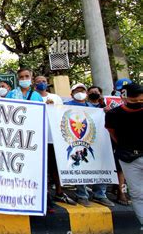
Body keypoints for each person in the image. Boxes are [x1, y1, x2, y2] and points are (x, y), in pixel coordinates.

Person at [64, 83, 114, 208]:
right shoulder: (65, 106)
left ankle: (100, 194)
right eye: (77, 91)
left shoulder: (95, 108)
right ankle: (82, 195)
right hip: (75, 141)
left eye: (82, 90)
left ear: (86, 94)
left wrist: (106, 112)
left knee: (100, 165)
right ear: (72, 94)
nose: (80, 93)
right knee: (80, 166)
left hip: (94, 141)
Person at [105, 83, 143, 234]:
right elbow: (113, 134)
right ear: (125, 97)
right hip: (128, 158)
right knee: (137, 194)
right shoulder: (114, 114)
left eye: (140, 98)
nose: (138, 101)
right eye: (134, 98)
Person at [33, 76, 75, 208]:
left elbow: (63, 114)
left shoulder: (55, 98)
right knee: (40, 167)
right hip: (37, 137)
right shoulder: (32, 97)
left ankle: (59, 191)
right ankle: (42, 194)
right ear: (34, 83)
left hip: (53, 137)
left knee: (55, 166)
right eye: (39, 81)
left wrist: (53, 107)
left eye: (44, 81)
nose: (42, 83)